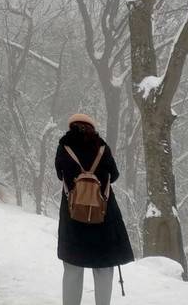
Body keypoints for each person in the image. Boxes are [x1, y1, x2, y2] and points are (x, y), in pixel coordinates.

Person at [55, 113, 134, 305]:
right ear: (92, 127)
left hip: (73, 216)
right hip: (103, 215)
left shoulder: (64, 147)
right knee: (103, 267)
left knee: (73, 268)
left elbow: (59, 174)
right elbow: (114, 175)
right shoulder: (102, 146)